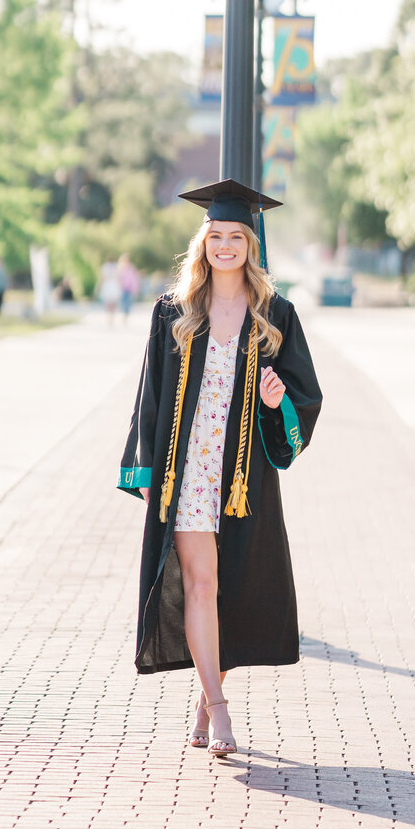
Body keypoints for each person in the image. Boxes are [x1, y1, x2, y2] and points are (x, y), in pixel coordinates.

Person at [117, 179, 322, 759]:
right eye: (216, 236)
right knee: (200, 585)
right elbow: (150, 396)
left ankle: (207, 699)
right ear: (203, 241)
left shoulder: (274, 314)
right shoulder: (174, 312)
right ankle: (223, 710)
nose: (225, 246)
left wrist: (278, 401)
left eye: (236, 236)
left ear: (251, 245)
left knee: (228, 590)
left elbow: (306, 398)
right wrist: (143, 470)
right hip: (187, 475)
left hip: (242, 479)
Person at [98, 258, 122, 326]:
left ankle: (109, 317)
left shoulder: (105, 267)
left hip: (109, 285)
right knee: (112, 303)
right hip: (113, 286)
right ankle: (111, 317)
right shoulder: (115, 266)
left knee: (109, 302)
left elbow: (102, 277)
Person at [117, 252, 140, 322]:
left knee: (127, 303)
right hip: (121, 288)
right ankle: (123, 314)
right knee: (122, 303)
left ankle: (125, 317)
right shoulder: (119, 268)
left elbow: (134, 279)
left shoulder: (131, 268)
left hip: (128, 289)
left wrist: (135, 288)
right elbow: (117, 278)